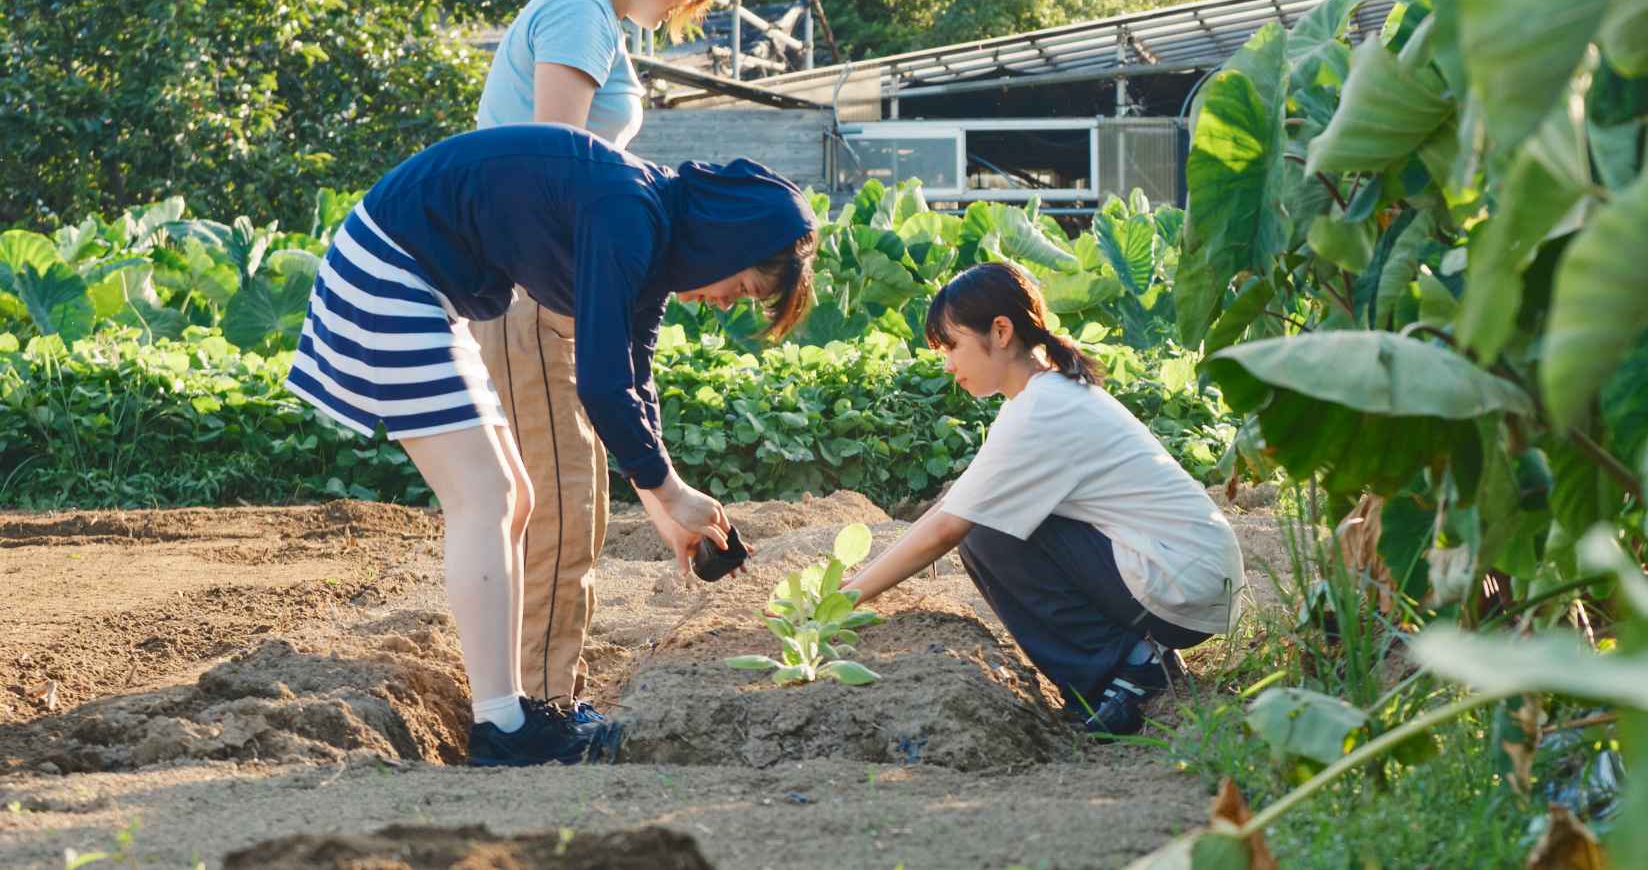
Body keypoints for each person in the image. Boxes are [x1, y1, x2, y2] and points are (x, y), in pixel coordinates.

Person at [283, 123, 816, 766]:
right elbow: (599, 379)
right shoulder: (631, 213)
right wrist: (668, 488)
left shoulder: (653, 239)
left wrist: (665, 507)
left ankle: (511, 714)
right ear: (728, 238)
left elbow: (632, 374)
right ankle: (502, 729)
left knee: (515, 497)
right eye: (745, 286)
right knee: (485, 497)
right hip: (389, 272)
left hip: (423, 286)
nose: (726, 301)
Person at [467, 0, 738, 728]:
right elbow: (556, 166)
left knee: (558, 494)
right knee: (558, 499)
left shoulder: (595, 17)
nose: (688, 5)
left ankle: (530, 694)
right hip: (527, 284)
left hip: (544, 281)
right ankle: (538, 708)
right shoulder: (580, 11)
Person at [842, 263, 1244, 735]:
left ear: (1001, 330)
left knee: (985, 534)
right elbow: (951, 508)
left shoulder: (1040, 410)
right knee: (985, 519)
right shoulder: (1047, 396)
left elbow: (948, 528)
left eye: (952, 347)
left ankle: (1128, 669)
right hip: (1190, 575)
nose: (948, 365)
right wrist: (851, 587)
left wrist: (842, 599)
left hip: (1183, 584)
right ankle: (1130, 662)